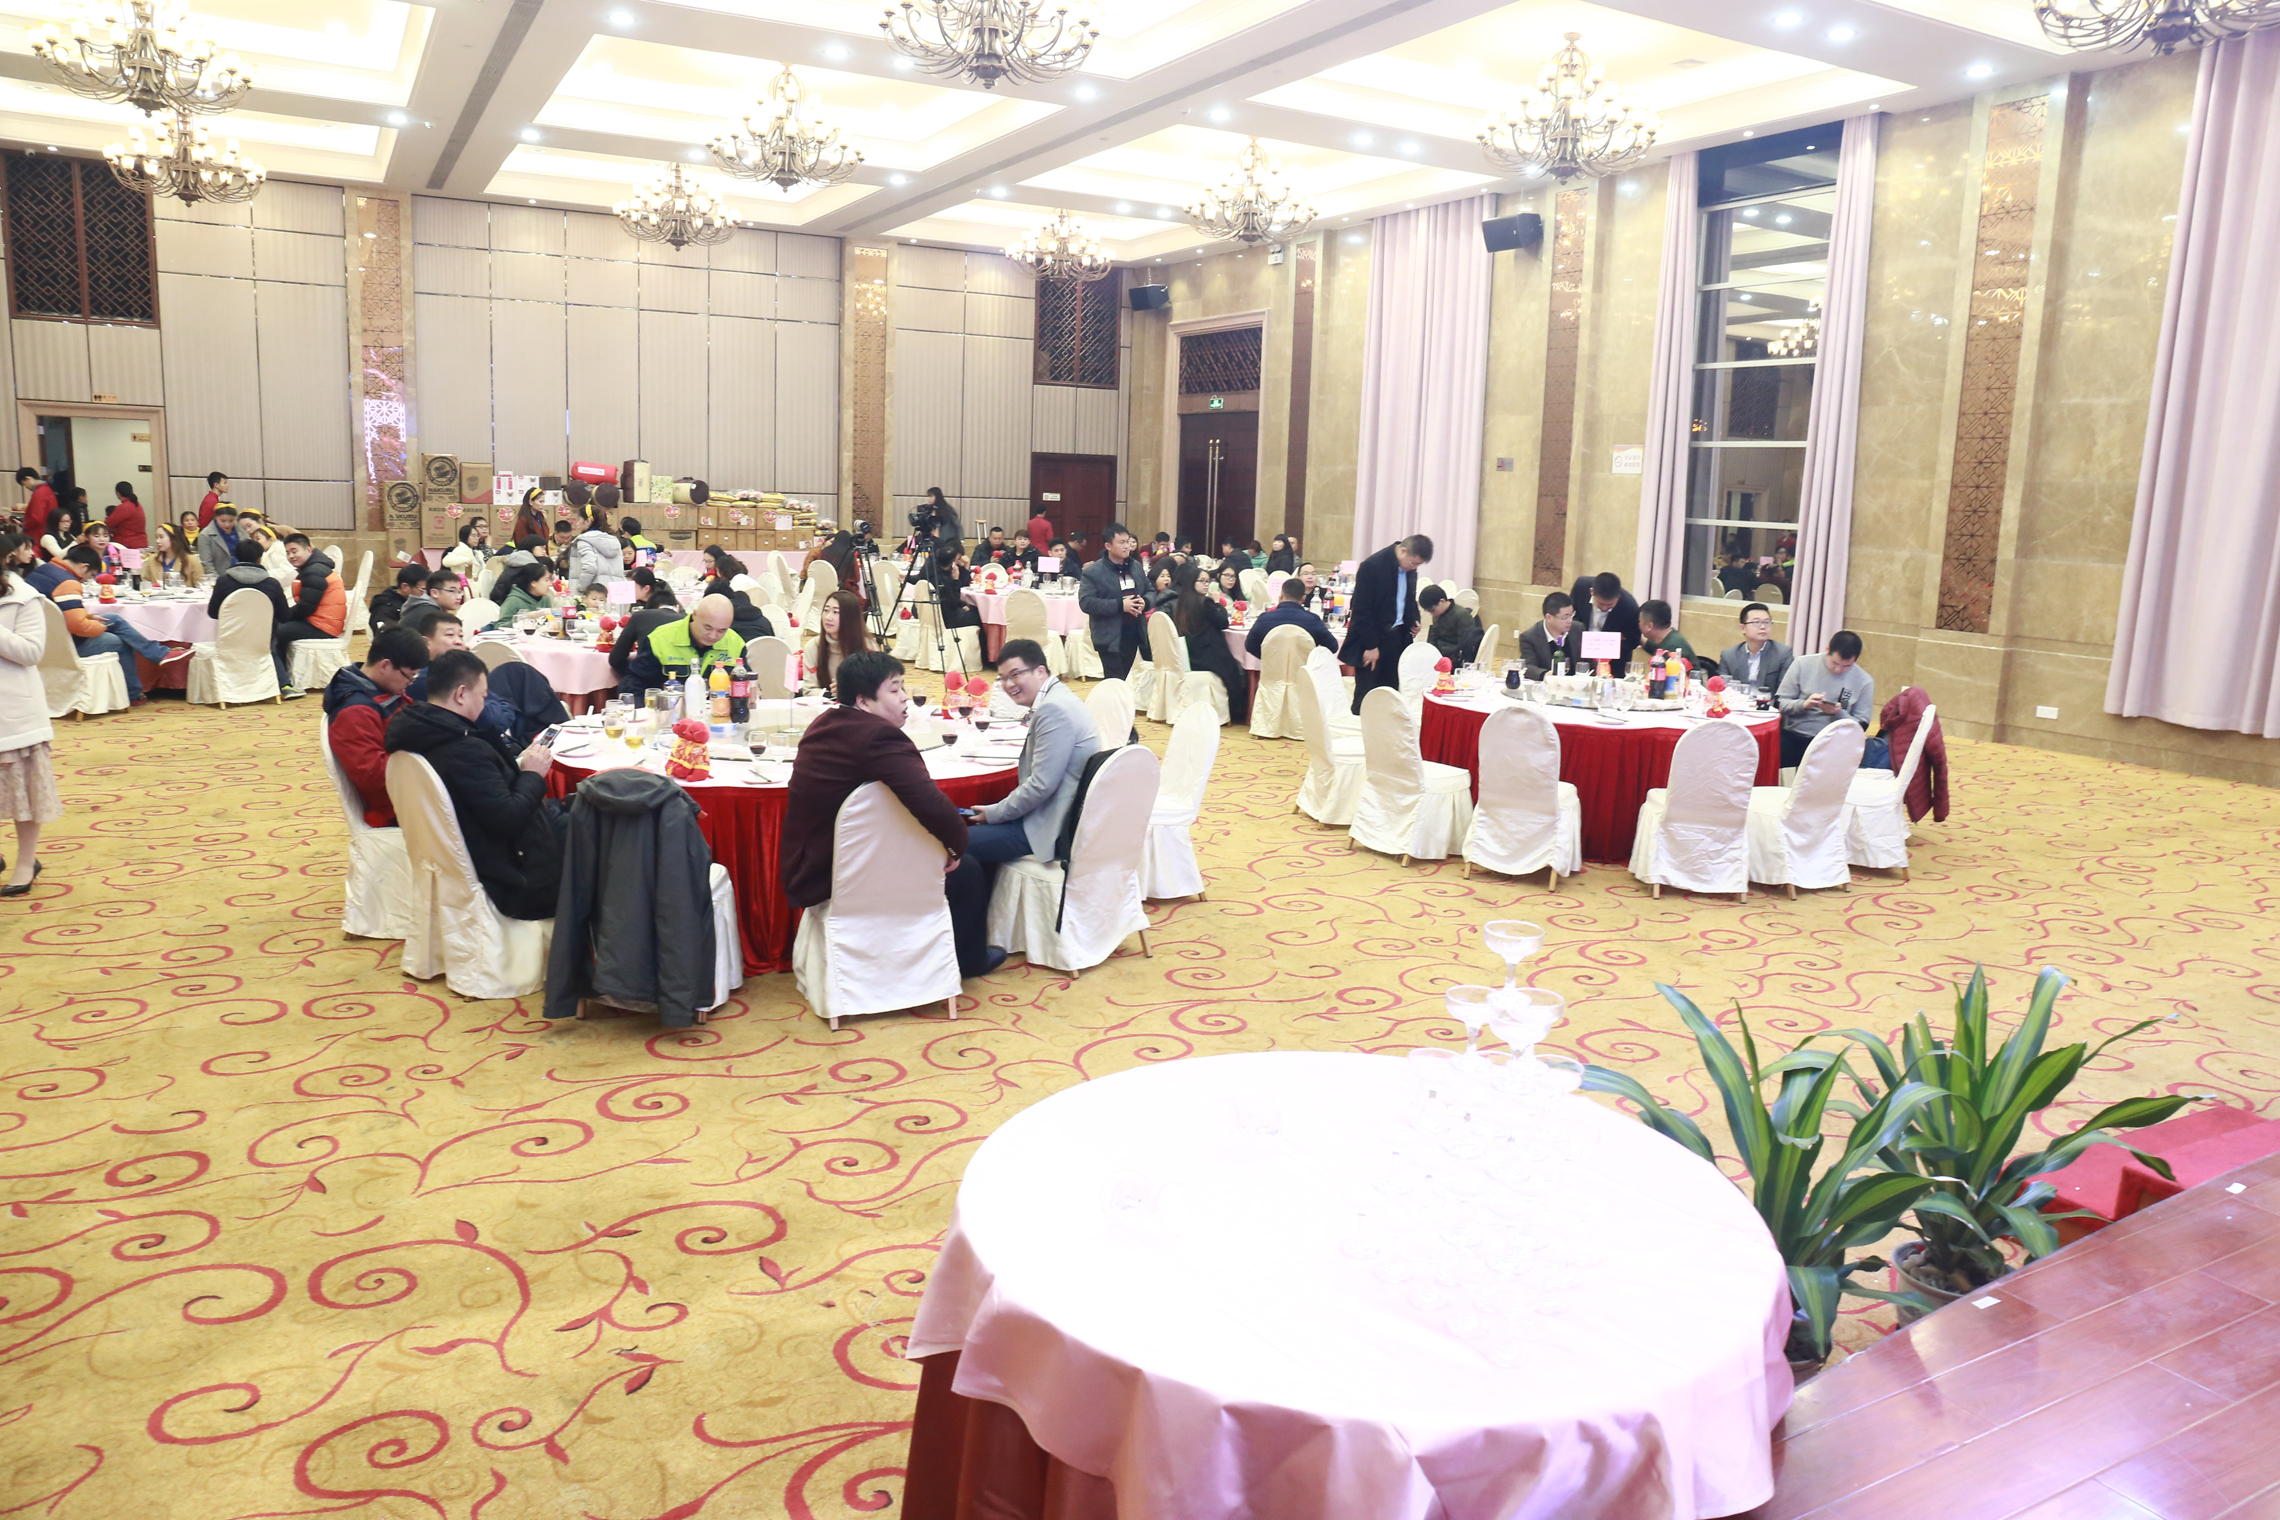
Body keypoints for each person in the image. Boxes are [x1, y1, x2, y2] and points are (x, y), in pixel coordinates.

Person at [781, 649, 1004, 978]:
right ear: (864, 701)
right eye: (895, 689)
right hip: (840, 872)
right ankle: (968, 961)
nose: (904, 698)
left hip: (810, 863)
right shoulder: (878, 737)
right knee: (967, 868)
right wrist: (954, 846)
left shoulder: (825, 723)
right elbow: (929, 802)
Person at [384, 649, 563, 920]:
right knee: (596, 828)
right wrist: (532, 775)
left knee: (577, 810)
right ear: (461, 694)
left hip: (470, 846)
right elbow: (508, 818)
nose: (485, 703)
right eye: (483, 695)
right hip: (511, 875)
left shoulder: (420, 729)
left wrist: (516, 766)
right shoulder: (461, 748)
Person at [958, 640, 1099, 880]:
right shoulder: (1059, 697)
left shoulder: (1053, 710)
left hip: (1051, 825)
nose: (1008, 685)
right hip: (1052, 811)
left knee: (957, 842)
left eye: (1015, 675)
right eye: (1002, 678)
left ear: (1040, 671)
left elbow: (1041, 786)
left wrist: (995, 813)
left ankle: (972, 905)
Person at [323, 627, 430, 827]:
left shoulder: (382, 690)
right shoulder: (354, 712)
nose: (410, 683)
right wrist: (432, 760)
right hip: (399, 807)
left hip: (414, 791)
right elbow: (373, 776)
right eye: (410, 676)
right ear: (385, 665)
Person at [0, 534, 60, 894]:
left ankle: (26, 862)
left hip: (12, 709)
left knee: (23, 793)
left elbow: (32, 652)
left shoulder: (24, 597)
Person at [55, 546, 171, 706]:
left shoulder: (49, 570)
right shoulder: (68, 583)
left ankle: (159, 653)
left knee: (114, 619)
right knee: (119, 641)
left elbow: (61, 613)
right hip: (67, 643)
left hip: (54, 635)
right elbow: (79, 627)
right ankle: (132, 694)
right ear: (83, 567)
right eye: (90, 575)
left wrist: (89, 617)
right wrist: (99, 628)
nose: (85, 581)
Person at [1337, 534, 1431, 714]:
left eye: (1417, 565)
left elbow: (1408, 598)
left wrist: (1414, 619)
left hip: (1398, 637)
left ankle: (1386, 729)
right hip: (1373, 637)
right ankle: (1360, 727)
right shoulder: (1372, 566)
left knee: (1391, 693)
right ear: (1403, 551)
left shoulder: (1409, 568)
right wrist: (1370, 645)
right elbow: (1362, 610)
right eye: (1413, 563)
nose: (1413, 568)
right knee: (1367, 693)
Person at [1775, 630, 1875, 769]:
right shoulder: (1802, 664)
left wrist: (1838, 713)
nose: (1838, 669)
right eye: (1834, 663)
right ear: (1827, 650)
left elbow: (1861, 726)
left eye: (1846, 666)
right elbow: (1779, 703)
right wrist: (1804, 704)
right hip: (1794, 734)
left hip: (1833, 742)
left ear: (1855, 660)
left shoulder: (1864, 681)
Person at [1171, 561, 1249, 724]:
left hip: (1191, 652)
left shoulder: (1183, 601)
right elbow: (1223, 622)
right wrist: (1217, 603)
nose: (1206, 585)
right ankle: (1237, 711)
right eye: (1202, 581)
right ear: (1193, 582)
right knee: (1235, 669)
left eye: (1208, 581)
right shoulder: (1205, 602)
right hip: (1206, 654)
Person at [271, 535, 345, 698]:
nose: (291, 556)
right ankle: (281, 677)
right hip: (323, 621)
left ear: (309, 550)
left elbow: (306, 607)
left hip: (324, 626)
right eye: (288, 553)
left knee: (278, 631)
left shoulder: (314, 571)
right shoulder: (315, 567)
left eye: (294, 551)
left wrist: (284, 615)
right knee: (279, 626)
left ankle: (281, 681)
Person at [625, 593, 744, 694]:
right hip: (670, 710)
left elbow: (745, 683)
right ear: (695, 615)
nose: (713, 636)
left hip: (720, 710)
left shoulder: (735, 642)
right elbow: (634, 683)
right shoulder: (660, 639)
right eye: (707, 628)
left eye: (721, 631)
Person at [1076, 522, 1149, 682]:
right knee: (1114, 679)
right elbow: (1086, 602)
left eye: (1128, 542)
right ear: (1108, 546)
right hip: (1108, 635)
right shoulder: (1093, 572)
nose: (1127, 546)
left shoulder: (1135, 566)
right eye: (1121, 542)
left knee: (1120, 679)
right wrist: (1120, 605)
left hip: (1133, 632)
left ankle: (1112, 698)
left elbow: (1149, 590)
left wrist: (1145, 602)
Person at [608, 570, 681, 685]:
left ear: (646, 588)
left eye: (631, 587)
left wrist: (631, 672)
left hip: (648, 675)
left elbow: (616, 658)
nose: (627, 590)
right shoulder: (637, 603)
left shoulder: (662, 605)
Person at [1244, 576, 1337, 658]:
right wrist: (1310, 658)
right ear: (1303, 599)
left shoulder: (1264, 619)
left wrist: (1268, 658)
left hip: (1272, 670)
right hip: (1304, 670)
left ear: (1281, 595)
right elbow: (1333, 647)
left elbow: (1249, 646)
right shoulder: (1313, 620)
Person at [1568, 571, 1642, 670]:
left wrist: (1610, 647)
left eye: (1610, 605)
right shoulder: (1580, 587)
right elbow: (1573, 614)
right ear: (1592, 592)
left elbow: (1633, 639)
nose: (1604, 608)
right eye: (1601, 603)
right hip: (1580, 654)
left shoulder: (1630, 607)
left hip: (1613, 663)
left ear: (1618, 597)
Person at [803, 588, 869, 699]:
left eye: (836, 612)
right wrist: (831, 695)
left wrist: (847, 692)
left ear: (850, 617)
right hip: (823, 704)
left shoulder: (868, 648)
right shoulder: (813, 646)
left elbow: (875, 689)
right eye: (826, 610)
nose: (828, 617)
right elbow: (809, 689)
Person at [1717, 602, 1794, 696]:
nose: (1763, 627)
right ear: (1743, 628)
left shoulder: (1783, 653)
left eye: (1767, 622)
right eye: (1756, 622)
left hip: (1768, 703)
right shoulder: (1729, 655)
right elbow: (1722, 689)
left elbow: (1784, 692)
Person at [1517, 591, 1579, 679]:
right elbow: (1528, 667)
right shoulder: (1529, 637)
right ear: (1549, 617)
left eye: (1571, 615)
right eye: (1565, 617)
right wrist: (1544, 674)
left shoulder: (1578, 629)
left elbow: (1588, 661)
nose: (1570, 621)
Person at [1419, 586, 1484, 665]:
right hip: (1440, 657)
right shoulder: (1438, 614)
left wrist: (1442, 652)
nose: (1432, 614)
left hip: (1454, 661)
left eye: (1432, 610)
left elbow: (1464, 647)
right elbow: (1433, 638)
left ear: (1442, 601)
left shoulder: (1462, 615)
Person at [566, 504, 620, 596]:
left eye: (579, 519)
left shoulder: (584, 541)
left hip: (593, 595)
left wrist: (581, 588)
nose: (577, 523)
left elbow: (589, 567)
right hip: (614, 593)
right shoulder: (613, 541)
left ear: (588, 521)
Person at [1636, 599, 1699, 670]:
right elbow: (1653, 647)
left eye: (1639, 621)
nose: (1638, 624)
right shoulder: (1669, 638)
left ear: (1649, 626)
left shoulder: (1674, 648)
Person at [369, 562, 427, 633]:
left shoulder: (419, 601)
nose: (426, 594)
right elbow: (388, 634)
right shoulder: (384, 609)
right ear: (405, 587)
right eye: (423, 589)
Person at [142, 522, 201, 587]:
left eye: (161, 537)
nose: (157, 541)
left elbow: (200, 584)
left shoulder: (191, 560)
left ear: (173, 539)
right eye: (157, 537)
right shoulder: (153, 559)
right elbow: (145, 583)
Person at [195, 505, 240, 581]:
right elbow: (206, 563)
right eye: (223, 521)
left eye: (231, 521)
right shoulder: (205, 535)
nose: (227, 524)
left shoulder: (241, 531)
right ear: (215, 518)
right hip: (220, 577)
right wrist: (217, 580)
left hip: (241, 575)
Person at [16, 468, 55, 549]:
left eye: (24, 484)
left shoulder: (39, 493)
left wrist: (23, 524)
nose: (26, 487)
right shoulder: (47, 489)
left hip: (38, 534)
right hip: (48, 530)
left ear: (28, 479)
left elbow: (36, 518)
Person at [104, 482, 147, 550]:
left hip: (126, 545)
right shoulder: (137, 505)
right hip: (141, 543)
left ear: (118, 494)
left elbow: (107, 524)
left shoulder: (124, 507)